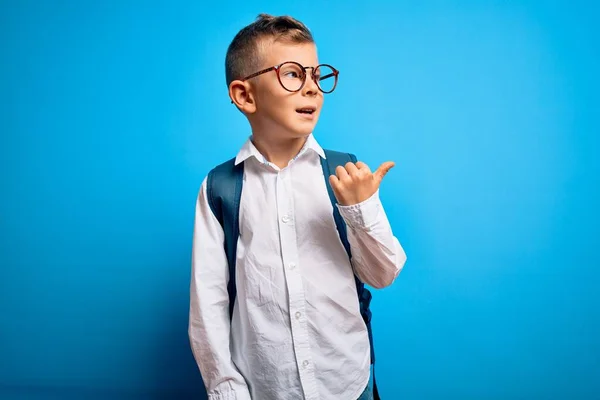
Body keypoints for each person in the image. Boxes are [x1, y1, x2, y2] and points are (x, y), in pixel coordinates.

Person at [188, 13, 407, 400]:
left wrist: (361, 210)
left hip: (347, 382)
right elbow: (208, 304)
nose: (312, 89)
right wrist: (227, 388)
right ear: (245, 96)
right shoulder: (220, 188)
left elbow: (383, 274)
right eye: (292, 74)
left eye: (316, 75)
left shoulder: (343, 172)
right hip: (267, 388)